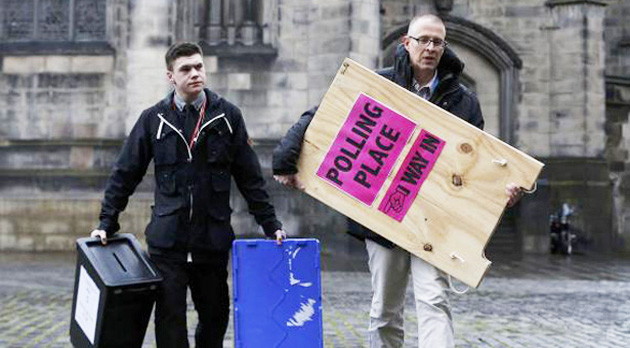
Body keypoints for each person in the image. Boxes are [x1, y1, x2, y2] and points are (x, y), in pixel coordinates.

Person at [273, 14, 523, 348]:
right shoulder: (381, 84)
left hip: (434, 221)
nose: (431, 48)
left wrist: (501, 192)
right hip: (383, 218)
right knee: (385, 310)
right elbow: (319, 115)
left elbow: (476, 164)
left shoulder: (464, 101)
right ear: (407, 42)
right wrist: (285, 160)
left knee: (435, 301)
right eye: (424, 40)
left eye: (438, 42)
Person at [90, 42, 285, 348]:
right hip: (168, 242)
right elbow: (125, 173)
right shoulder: (153, 119)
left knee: (215, 316)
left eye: (198, 67)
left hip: (212, 238)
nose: (195, 73)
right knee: (169, 319)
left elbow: (250, 179)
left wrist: (270, 224)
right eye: (186, 69)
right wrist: (106, 220)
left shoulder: (228, 116)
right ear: (171, 76)